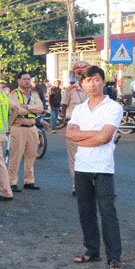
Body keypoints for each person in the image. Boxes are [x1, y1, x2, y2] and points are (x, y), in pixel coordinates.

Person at [66, 65, 124, 269]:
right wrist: (94, 136)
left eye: (96, 79)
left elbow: (105, 136)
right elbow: (69, 134)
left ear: (103, 81)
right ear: (82, 84)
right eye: (88, 80)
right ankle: (92, 249)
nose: (92, 84)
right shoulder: (80, 109)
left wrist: (84, 137)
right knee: (86, 212)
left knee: (108, 212)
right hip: (82, 166)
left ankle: (115, 258)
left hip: (103, 167)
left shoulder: (113, 107)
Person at [7, 71, 44, 193]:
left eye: (29, 79)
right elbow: (17, 110)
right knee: (16, 156)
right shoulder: (14, 94)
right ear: (19, 81)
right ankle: (12, 182)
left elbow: (40, 108)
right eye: (24, 79)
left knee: (31, 155)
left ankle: (29, 181)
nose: (27, 81)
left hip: (32, 127)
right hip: (18, 126)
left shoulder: (34, 94)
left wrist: (27, 107)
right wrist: (28, 109)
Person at [62, 64, 90, 195]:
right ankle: (76, 186)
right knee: (74, 157)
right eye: (79, 73)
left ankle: (91, 185)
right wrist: (66, 117)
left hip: (90, 127)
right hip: (74, 127)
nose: (81, 76)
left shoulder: (93, 89)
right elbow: (64, 105)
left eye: (84, 73)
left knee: (91, 155)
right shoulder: (70, 90)